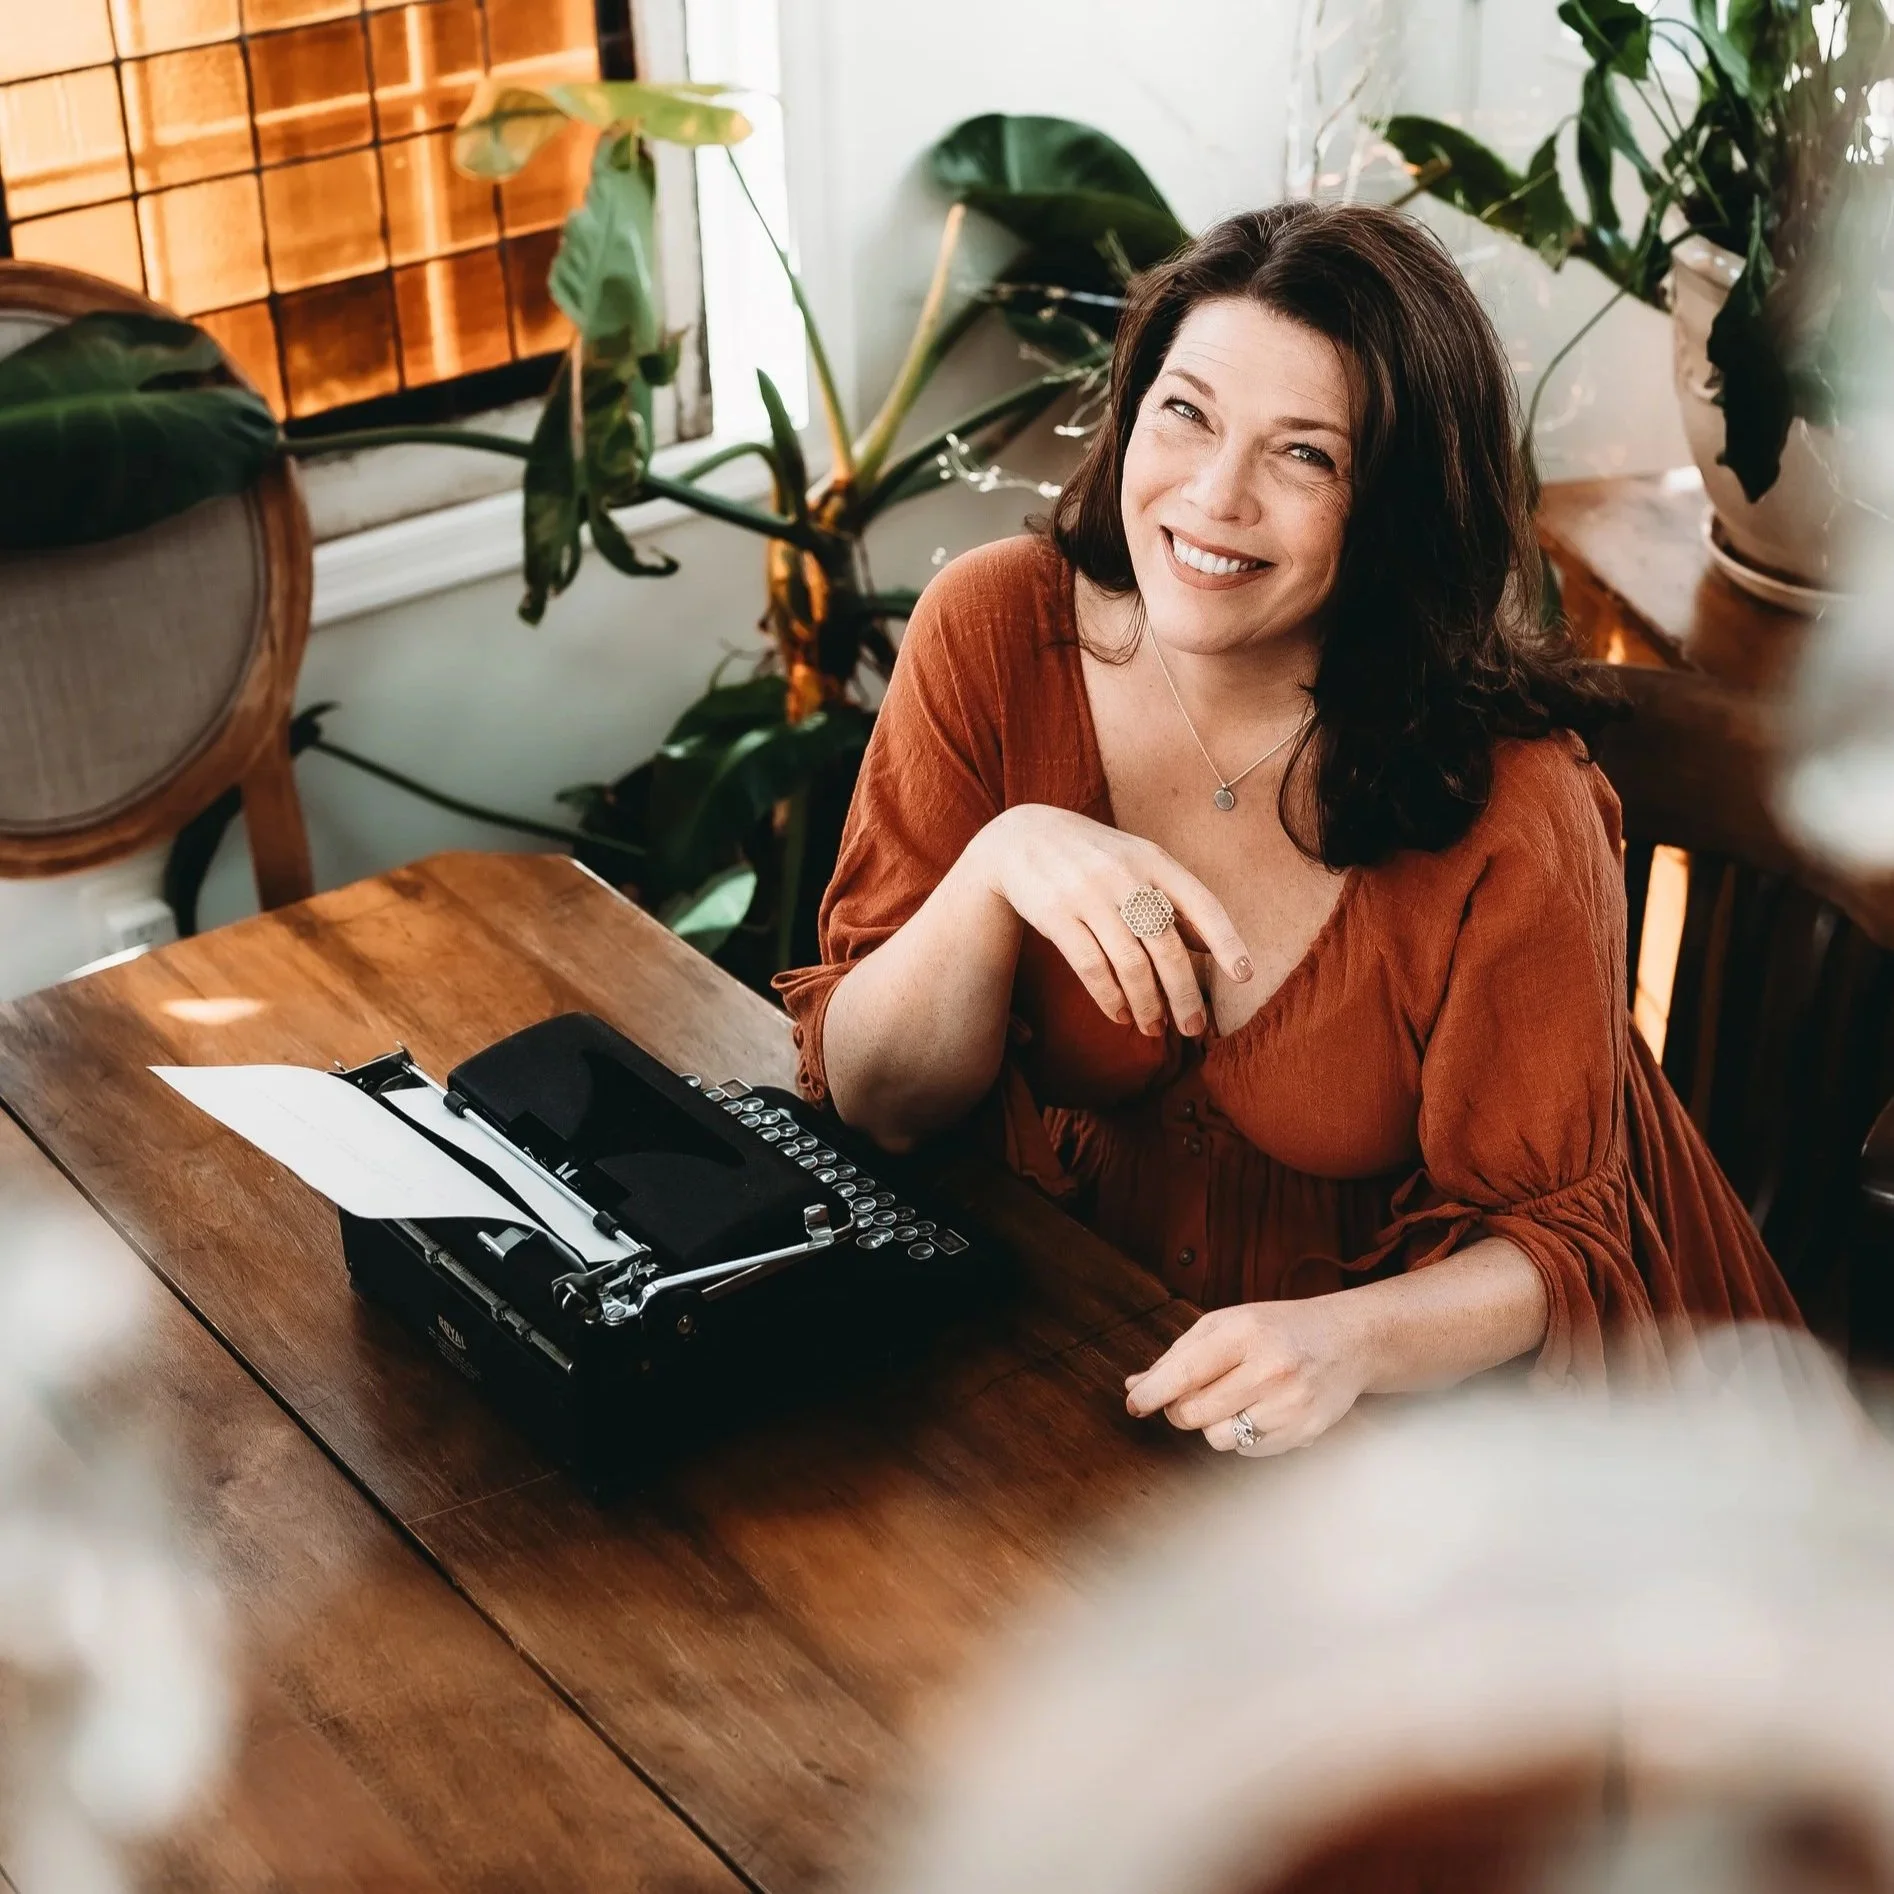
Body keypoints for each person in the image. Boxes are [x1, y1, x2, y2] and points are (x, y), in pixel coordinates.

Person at [774, 202, 1799, 1462]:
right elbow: (876, 1107)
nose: (1213, 498)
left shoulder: (1514, 799)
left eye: (1305, 456)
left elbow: (1558, 1255)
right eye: (1185, 412)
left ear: (1398, 506)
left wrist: (1348, 1340)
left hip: (1423, 1426)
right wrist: (993, 871)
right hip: (1073, 1340)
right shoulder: (988, 633)